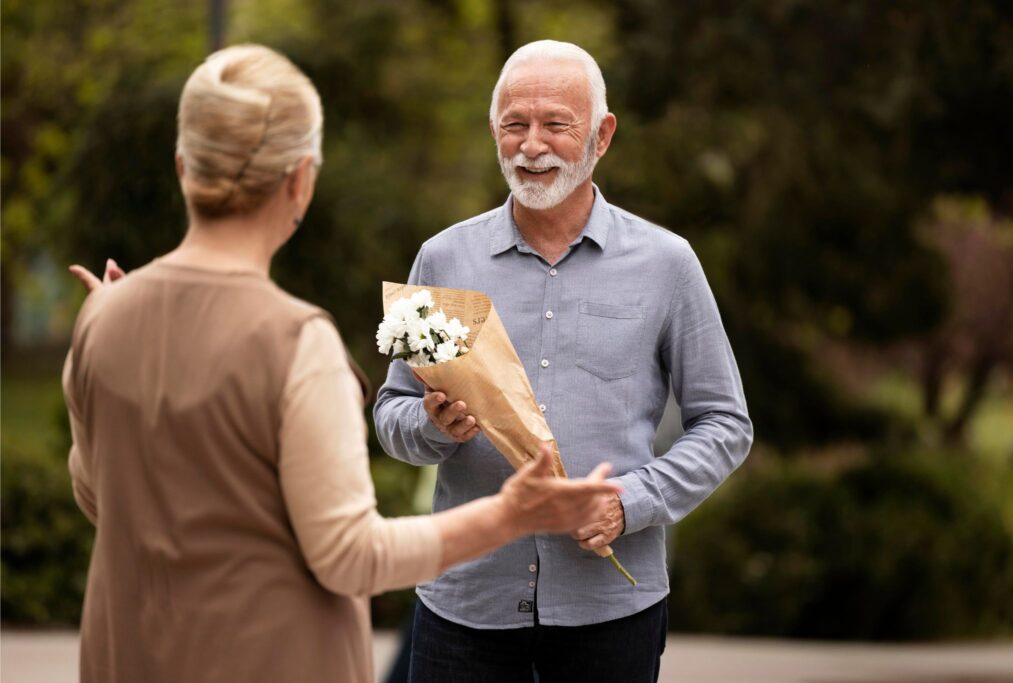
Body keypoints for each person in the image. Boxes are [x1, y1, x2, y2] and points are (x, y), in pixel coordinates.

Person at [62, 44, 622, 683]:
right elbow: (352, 556)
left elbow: (100, 497)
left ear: (184, 165)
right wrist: (511, 514)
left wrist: (112, 329)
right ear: (300, 178)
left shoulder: (101, 319)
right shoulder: (298, 342)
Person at [374, 40, 754, 681]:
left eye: (556, 124)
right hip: (464, 605)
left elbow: (725, 424)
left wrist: (631, 501)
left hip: (611, 613)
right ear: (493, 132)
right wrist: (432, 426)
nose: (531, 145)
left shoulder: (667, 264)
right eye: (515, 124)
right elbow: (392, 415)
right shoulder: (443, 259)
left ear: (601, 136)